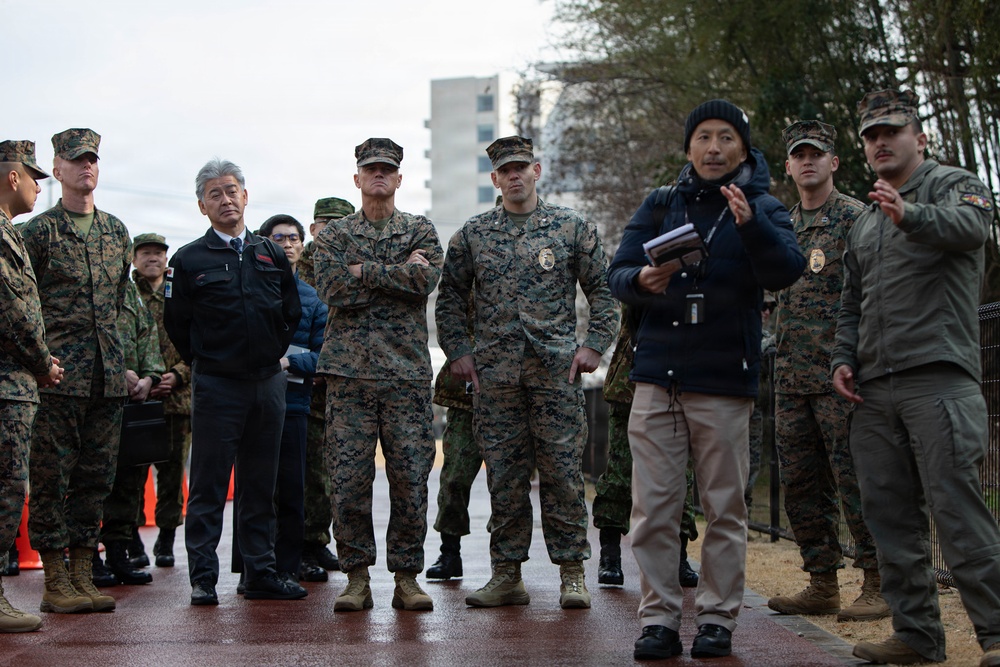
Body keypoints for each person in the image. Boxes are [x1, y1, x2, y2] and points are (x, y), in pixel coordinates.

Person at [608, 100, 804, 660]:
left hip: (724, 381)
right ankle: (659, 619)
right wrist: (643, 279)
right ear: (688, 147)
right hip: (656, 378)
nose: (713, 148)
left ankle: (717, 619)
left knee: (725, 507)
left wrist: (752, 226)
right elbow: (617, 272)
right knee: (654, 509)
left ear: (743, 147)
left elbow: (785, 270)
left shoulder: (765, 205)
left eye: (725, 138)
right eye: (703, 138)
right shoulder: (661, 203)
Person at [832, 89, 1000, 667]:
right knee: (889, 516)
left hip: (938, 378)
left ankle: (997, 634)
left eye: (891, 132)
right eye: (871, 136)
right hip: (874, 390)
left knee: (957, 509)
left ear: (919, 139)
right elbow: (851, 302)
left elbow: (973, 228)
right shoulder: (864, 220)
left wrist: (913, 214)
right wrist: (841, 357)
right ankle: (917, 636)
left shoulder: (954, 184)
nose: (880, 142)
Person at [436, 135, 619, 610]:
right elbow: (450, 298)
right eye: (505, 170)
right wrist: (459, 351)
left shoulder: (571, 227)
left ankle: (573, 573)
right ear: (495, 179)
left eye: (521, 167)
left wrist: (594, 345)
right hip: (495, 377)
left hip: (555, 373)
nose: (514, 176)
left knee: (562, 475)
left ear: (536, 171)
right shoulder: (473, 234)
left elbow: (603, 290)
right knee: (505, 476)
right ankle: (507, 574)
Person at [164, 158, 303, 605]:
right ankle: (203, 578)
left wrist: (269, 355)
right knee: (207, 485)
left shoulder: (270, 252)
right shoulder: (189, 260)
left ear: (245, 195)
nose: (225, 199)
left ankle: (259, 572)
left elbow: (290, 314)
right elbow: (178, 325)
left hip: (267, 383)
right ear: (202, 206)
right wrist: (209, 362)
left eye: (231, 190)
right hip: (218, 386)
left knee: (260, 483)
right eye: (214, 194)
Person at [766, 120, 888, 621]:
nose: (808, 161)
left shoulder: (858, 219)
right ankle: (821, 582)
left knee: (857, 479)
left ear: (834, 163)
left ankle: (880, 581)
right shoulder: (782, 228)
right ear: (790, 166)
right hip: (792, 378)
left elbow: (875, 296)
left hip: (843, 378)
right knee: (801, 483)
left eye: (817, 153)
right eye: (800, 154)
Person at [313, 138, 442, 612]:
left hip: (406, 376)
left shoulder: (419, 229)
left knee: (411, 478)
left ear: (399, 179)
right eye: (371, 170)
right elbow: (331, 288)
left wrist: (363, 270)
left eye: (387, 169)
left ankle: (407, 576)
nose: (379, 176)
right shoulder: (332, 235)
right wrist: (396, 273)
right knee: (348, 481)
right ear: (357, 179)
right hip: (348, 377)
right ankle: (356, 577)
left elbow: (424, 283)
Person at [21, 128, 132, 615]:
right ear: (57, 169)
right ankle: (55, 579)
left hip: (107, 378)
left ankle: (85, 573)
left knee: (96, 479)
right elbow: (24, 305)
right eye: (75, 160)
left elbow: (122, 304)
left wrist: (129, 364)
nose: (86, 167)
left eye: (92, 160)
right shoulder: (37, 232)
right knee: (52, 479)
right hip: (58, 377)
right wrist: (38, 362)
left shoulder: (116, 231)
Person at [231, 214, 327, 590]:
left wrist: (287, 361)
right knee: (253, 490)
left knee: (291, 490)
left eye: (293, 237)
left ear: (303, 246)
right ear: (264, 243)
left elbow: (325, 354)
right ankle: (252, 570)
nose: (287, 243)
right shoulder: (246, 288)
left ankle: (286, 568)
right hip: (250, 403)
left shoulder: (314, 300)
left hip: (295, 404)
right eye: (278, 237)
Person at [0, 140, 62, 631]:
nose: (40, 186)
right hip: (7, 383)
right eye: (34, 175)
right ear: (12, 176)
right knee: (4, 489)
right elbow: (11, 312)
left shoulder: (10, 232)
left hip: (14, 381)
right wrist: (42, 363)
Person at [593, 307, 699, 589]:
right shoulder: (642, 265)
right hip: (633, 378)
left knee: (681, 476)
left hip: (685, 380)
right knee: (621, 470)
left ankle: (678, 556)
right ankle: (610, 556)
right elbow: (632, 304)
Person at [297, 196, 354, 581]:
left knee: (335, 473)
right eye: (324, 223)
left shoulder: (355, 265)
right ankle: (300, 542)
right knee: (306, 470)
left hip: (345, 382)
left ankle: (319, 539)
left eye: (339, 223)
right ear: (313, 228)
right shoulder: (296, 270)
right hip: (306, 383)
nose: (331, 230)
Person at [96, 272, 165, 586]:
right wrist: (116, 370)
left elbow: (148, 334)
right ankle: (85, 557)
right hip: (95, 398)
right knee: (90, 481)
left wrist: (150, 377)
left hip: (134, 400)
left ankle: (118, 553)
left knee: (129, 482)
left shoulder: (131, 295)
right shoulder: (91, 290)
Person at [134, 233, 192, 569]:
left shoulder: (177, 293)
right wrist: (139, 377)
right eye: (145, 253)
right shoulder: (125, 293)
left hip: (176, 399)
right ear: (134, 259)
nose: (152, 258)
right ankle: (131, 537)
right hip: (137, 398)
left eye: (158, 253)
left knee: (171, 476)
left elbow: (196, 338)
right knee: (132, 476)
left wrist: (178, 374)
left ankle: (167, 539)